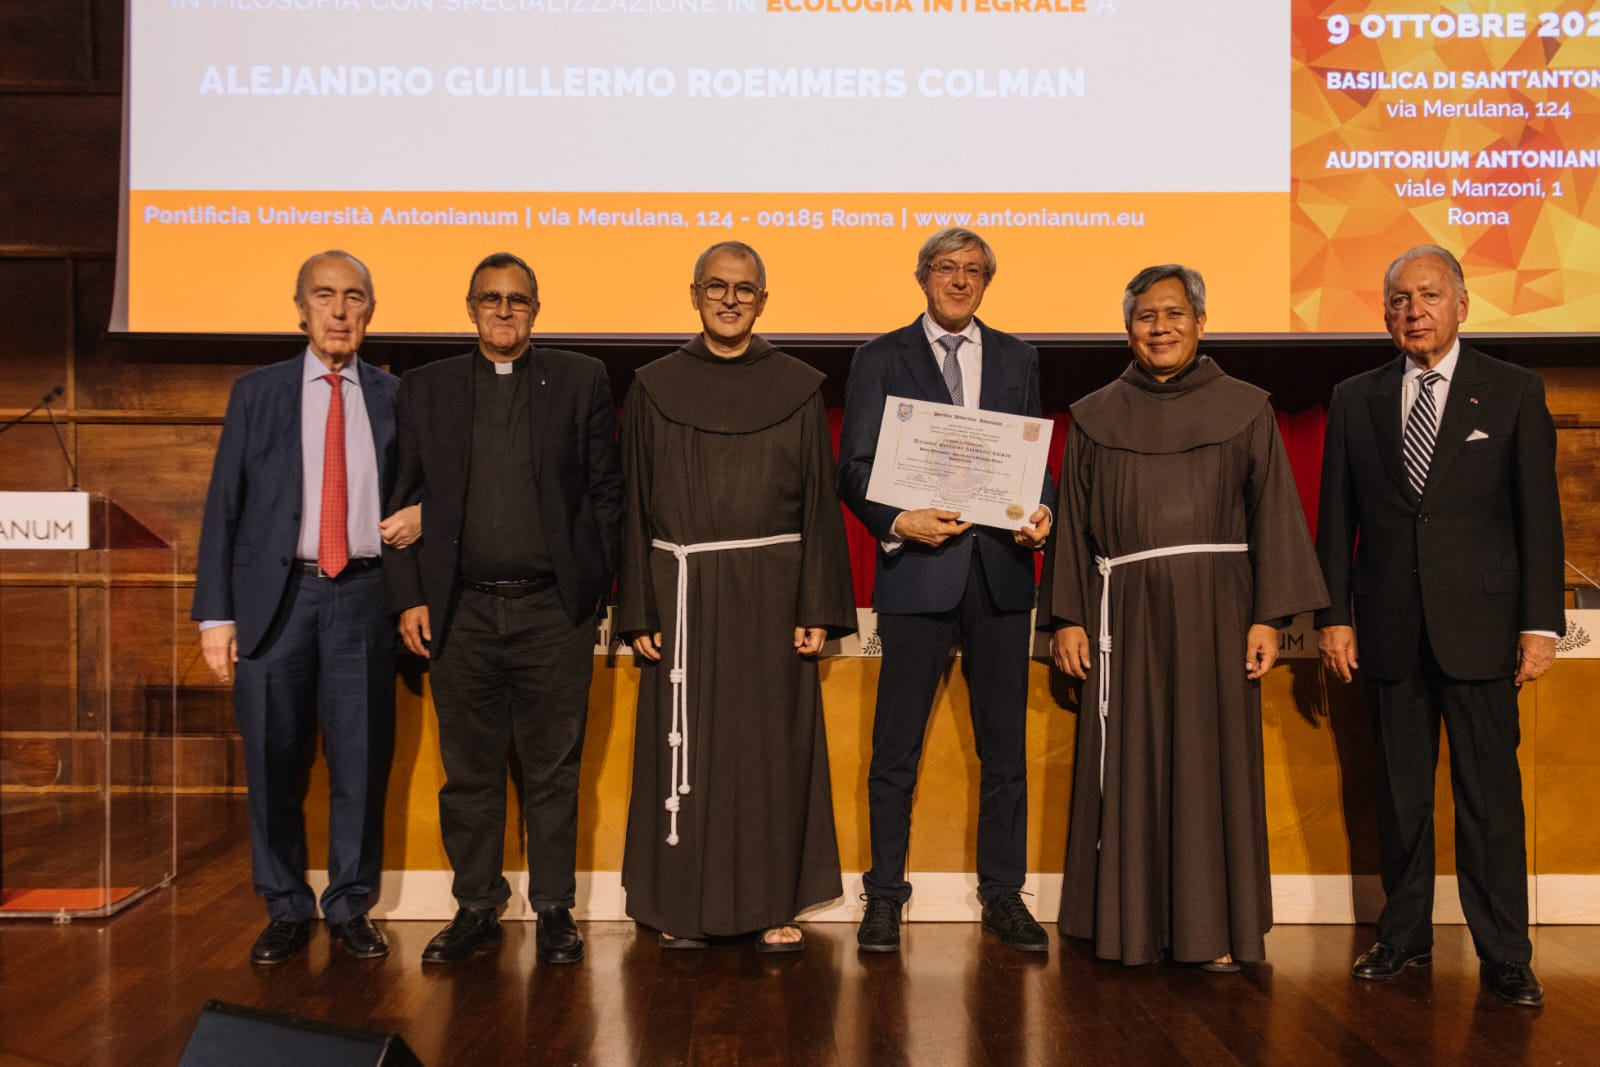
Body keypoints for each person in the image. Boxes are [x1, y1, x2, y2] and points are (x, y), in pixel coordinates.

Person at [1039, 264, 1328, 969]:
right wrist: (1069, 617)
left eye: (1173, 314)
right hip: (1123, 614)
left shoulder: (1245, 408)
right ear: (1128, 330)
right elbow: (1072, 524)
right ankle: (1127, 925)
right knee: (1129, 762)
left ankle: (1213, 929)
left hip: (1217, 612)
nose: (1160, 327)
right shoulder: (1095, 415)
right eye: (1146, 316)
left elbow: (1273, 510)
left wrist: (1268, 617)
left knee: (1209, 765)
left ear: (1200, 322)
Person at [1315, 245, 1563, 1007]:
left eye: (1427, 295)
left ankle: (1506, 952)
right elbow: (1336, 520)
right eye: (1398, 299)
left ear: (1461, 305)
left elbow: (1539, 517)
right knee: (1400, 797)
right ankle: (1404, 936)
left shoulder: (1513, 390)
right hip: (1387, 628)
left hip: (1483, 630)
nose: (1412, 310)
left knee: (1490, 799)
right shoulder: (1355, 397)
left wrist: (1541, 624)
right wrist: (1333, 616)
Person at [384, 252, 623, 966]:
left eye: (518, 299)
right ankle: (476, 906)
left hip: (553, 613)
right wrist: (410, 596)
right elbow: (403, 499)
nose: (504, 310)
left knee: (554, 770)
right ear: (470, 308)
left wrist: (594, 586)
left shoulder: (580, 379)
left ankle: (554, 908)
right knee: (469, 772)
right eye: (491, 298)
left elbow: (606, 493)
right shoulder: (426, 388)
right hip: (460, 613)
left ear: (536, 310)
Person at [616, 241, 856, 952]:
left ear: (762, 301)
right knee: (683, 746)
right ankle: (680, 905)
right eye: (716, 287)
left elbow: (818, 503)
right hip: (680, 592)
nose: (729, 300)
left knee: (766, 753)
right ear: (694, 294)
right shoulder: (655, 386)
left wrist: (817, 606)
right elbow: (633, 504)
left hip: (771, 598)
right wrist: (639, 608)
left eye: (744, 289)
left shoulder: (797, 387)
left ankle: (769, 901)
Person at [194, 250, 415, 964]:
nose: (340, 311)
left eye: (354, 297)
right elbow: (223, 506)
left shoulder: (395, 395)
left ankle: (350, 903)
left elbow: (423, 487)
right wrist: (215, 616)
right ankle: (285, 905)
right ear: (301, 309)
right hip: (274, 601)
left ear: (371, 311)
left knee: (361, 760)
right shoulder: (256, 393)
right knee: (272, 760)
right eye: (324, 296)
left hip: (364, 595)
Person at [836, 228, 1054, 953]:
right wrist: (898, 520)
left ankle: (1004, 895)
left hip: (999, 574)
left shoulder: (1019, 357)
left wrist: (1041, 511)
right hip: (917, 574)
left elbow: (1032, 461)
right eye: (945, 268)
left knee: (1006, 753)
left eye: (973, 270)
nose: (959, 280)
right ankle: (883, 896)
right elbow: (854, 466)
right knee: (894, 751)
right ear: (923, 276)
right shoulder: (879, 357)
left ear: (986, 282)